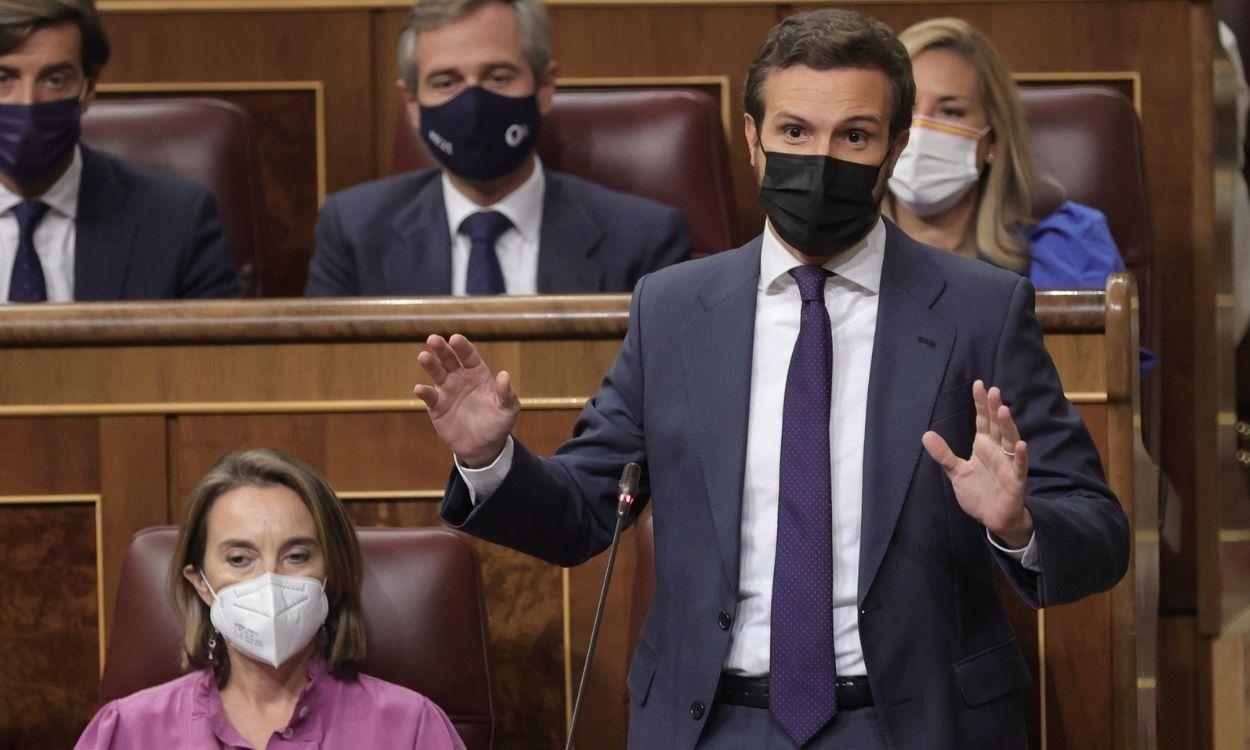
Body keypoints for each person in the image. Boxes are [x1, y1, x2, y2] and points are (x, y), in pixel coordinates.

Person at [415, 9, 1128, 749]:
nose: (819, 160)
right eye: (794, 132)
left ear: (895, 148)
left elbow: (1099, 529)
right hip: (710, 722)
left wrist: (1018, 525)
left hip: (912, 725)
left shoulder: (979, 309)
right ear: (752, 140)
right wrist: (487, 460)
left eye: (853, 135)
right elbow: (584, 513)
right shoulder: (675, 308)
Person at [75, 449, 465, 749]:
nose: (269, 580)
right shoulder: (127, 730)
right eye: (239, 559)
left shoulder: (411, 726)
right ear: (199, 582)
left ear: (330, 573)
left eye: (296, 556)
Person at [304, 0, 691, 297]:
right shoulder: (353, 232)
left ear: (544, 86)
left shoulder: (644, 239)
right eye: (446, 82)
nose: (473, 103)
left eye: (498, 76)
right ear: (412, 103)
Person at [0, 0, 239, 303]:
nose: (28, 103)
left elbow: (220, 352)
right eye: (3, 78)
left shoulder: (178, 223)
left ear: (89, 90)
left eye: (55, 80)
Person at [885, 17, 1124, 290]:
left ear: (994, 139)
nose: (922, 128)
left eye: (951, 111)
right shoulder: (840, 250)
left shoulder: (1064, 246)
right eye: (908, 108)